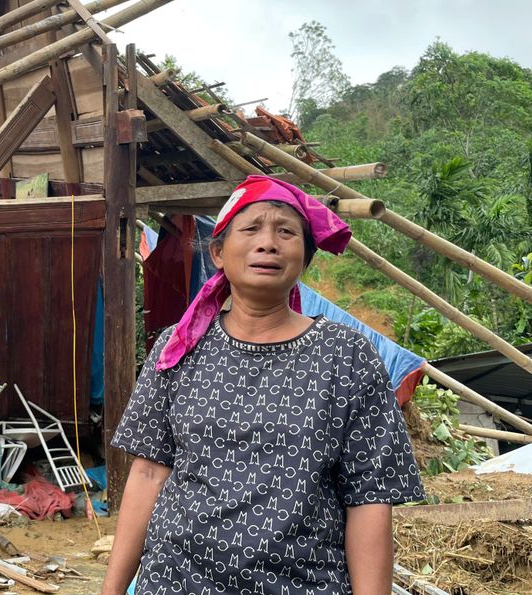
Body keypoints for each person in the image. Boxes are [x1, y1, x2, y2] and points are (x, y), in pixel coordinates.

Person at [101, 175, 425, 595]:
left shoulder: (346, 355)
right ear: (218, 252)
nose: (268, 242)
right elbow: (147, 474)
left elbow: (368, 499)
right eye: (251, 228)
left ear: (305, 258)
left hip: (303, 583)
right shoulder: (177, 347)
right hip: (175, 581)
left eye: (286, 232)